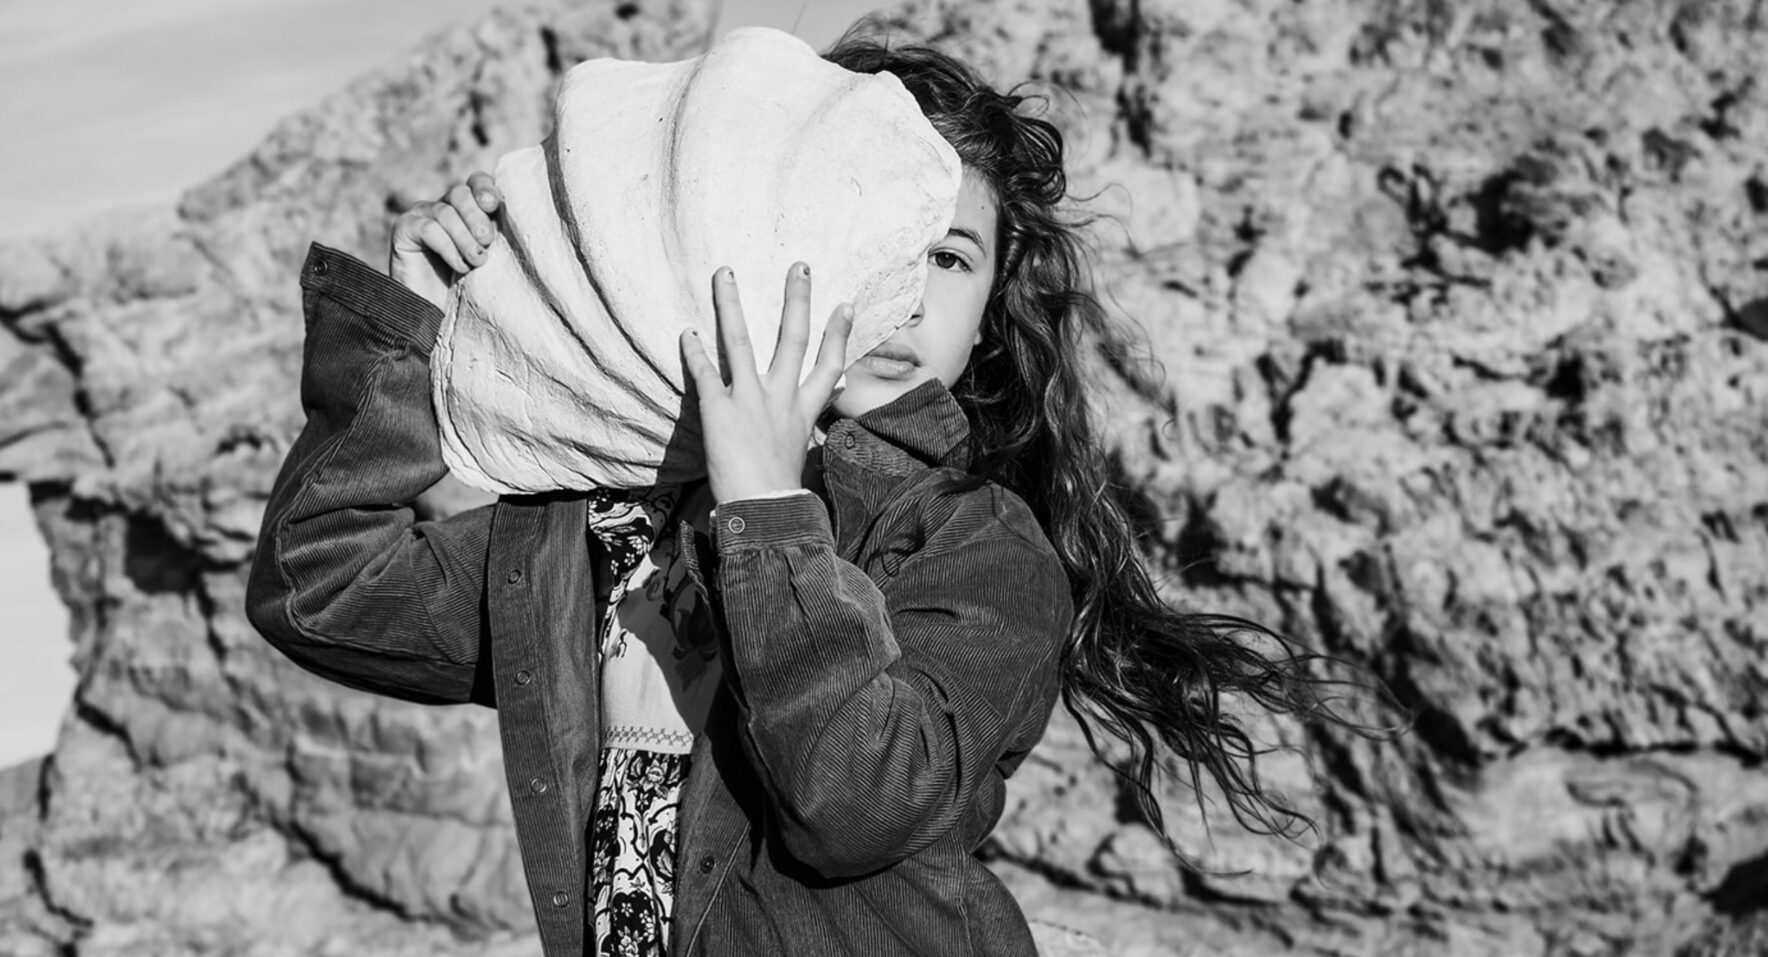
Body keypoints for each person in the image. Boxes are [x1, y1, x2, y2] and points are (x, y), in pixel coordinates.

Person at [246, 31, 1375, 957]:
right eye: (871, 239)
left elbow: (859, 804)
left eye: (945, 259)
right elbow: (320, 589)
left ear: (987, 313)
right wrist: (414, 330)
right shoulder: (608, 525)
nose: (898, 291)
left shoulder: (977, 545)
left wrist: (764, 512)